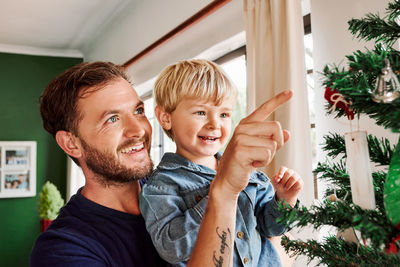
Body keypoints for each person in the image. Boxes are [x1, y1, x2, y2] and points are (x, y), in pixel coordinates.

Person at [30, 61, 293, 267]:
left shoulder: (181, 184)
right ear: (71, 143)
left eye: (138, 111)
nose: (138, 130)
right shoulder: (64, 249)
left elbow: (276, 248)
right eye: (112, 119)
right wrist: (223, 191)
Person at [139, 60, 303, 267]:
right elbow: (172, 247)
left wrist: (284, 200)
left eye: (224, 114)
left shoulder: (250, 172)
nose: (214, 124)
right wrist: (222, 191)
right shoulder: (160, 186)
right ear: (165, 118)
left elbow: (271, 228)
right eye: (201, 112)